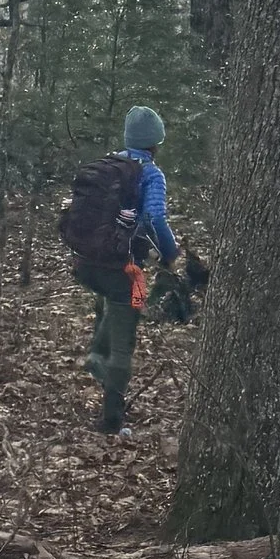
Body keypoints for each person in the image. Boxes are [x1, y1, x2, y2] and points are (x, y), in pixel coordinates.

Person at [66, 103, 186, 437]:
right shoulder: (150, 173)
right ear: (155, 142)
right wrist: (170, 252)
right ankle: (112, 421)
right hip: (122, 268)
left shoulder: (111, 163)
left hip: (88, 263)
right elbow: (153, 218)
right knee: (124, 341)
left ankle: (95, 356)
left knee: (108, 306)